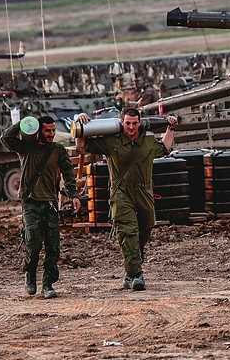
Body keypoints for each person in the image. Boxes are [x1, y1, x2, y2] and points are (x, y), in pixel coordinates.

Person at [74, 108, 177, 291]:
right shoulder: (111, 141)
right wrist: (81, 124)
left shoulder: (148, 140)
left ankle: (131, 270)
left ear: (140, 123)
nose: (131, 127)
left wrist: (171, 128)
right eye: (127, 123)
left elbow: (164, 148)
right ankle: (136, 275)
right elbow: (82, 145)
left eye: (134, 123)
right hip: (121, 193)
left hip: (144, 192)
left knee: (146, 227)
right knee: (127, 232)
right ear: (122, 123)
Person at [0, 115, 82, 299]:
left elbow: (68, 173)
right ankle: (29, 272)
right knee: (34, 243)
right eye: (47, 131)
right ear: (39, 131)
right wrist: (25, 123)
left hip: (51, 203)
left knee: (53, 247)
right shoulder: (26, 148)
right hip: (30, 203)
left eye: (53, 131)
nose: (51, 134)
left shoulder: (58, 150)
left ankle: (47, 285)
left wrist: (74, 196)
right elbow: (6, 137)